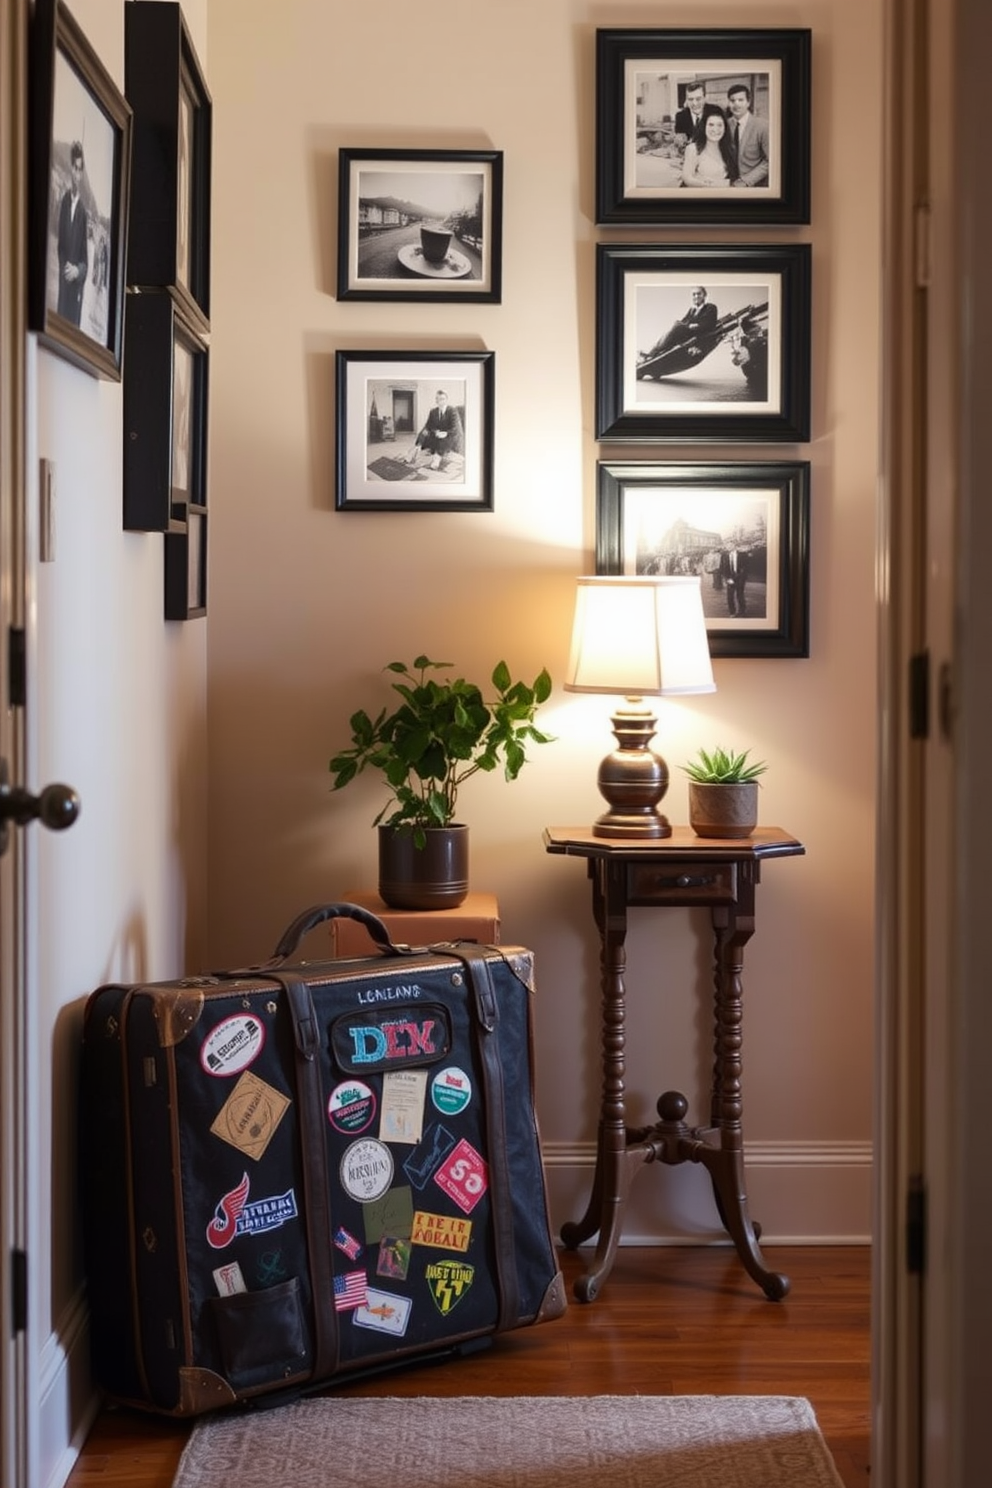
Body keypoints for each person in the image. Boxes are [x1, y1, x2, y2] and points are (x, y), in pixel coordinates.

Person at [641, 285, 718, 364]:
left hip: (698, 335)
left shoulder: (710, 307)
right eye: (694, 294)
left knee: (676, 327)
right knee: (674, 327)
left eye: (699, 294)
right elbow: (684, 321)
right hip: (687, 334)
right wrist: (683, 324)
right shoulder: (692, 310)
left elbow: (711, 324)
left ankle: (651, 353)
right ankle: (654, 353)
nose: (696, 296)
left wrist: (697, 325)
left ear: (704, 295)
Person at [56, 141, 88, 326]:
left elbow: (85, 260)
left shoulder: (83, 213)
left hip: (75, 287)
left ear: (82, 173)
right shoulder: (64, 203)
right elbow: (60, 246)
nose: (77, 174)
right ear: (70, 169)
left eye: (80, 169)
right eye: (74, 168)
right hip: (63, 282)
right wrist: (64, 268)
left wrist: (76, 271)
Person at [404, 390, 464, 471]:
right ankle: (414, 450)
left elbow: (455, 428)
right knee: (424, 432)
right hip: (437, 434)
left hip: (450, 436)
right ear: (436, 400)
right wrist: (432, 433)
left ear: (446, 400)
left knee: (443, 440)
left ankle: (436, 460)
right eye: (438, 399)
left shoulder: (452, 411)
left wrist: (445, 433)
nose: (440, 401)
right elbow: (428, 426)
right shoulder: (433, 412)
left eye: (442, 399)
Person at [725, 84, 770, 188]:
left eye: (741, 100)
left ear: (748, 102)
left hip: (754, 184)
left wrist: (746, 181)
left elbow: (770, 161)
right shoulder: (725, 124)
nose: (736, 104)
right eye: (732, 101)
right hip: (729, 183)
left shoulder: (763, 126)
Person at [681, 114, 735, 188]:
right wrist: (707, 184)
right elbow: (687, 178)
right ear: (704, 127)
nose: (715, 129)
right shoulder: (693, 149)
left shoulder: (728, 149)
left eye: (719, 125)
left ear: (725, 128)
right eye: (711, 125)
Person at [730, 317, 769, 400]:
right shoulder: (753, 343)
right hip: (759, 379)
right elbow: (737, 362)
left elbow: (736, 362)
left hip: (757, 378)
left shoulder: (747, 343)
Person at [719, 544, 750, 616]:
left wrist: (742, 578)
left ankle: (742, 611)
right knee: (730, 596)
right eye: (727, 545)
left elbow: (746, 567)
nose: (728, 547)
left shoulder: (743, 555)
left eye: (730, 545)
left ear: (734, 545)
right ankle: (732, 612)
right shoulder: (724, 556)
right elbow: (722, 568)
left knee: (740, 595)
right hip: (730, 578)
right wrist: (727, 578)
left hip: (740, 578)